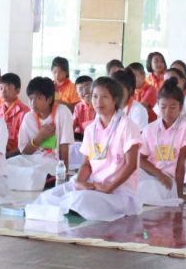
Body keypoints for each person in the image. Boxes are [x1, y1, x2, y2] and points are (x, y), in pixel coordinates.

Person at [31, 75, 142, 221]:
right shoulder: (91, 129)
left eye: (104, 97)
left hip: (118, 191)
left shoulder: (127, 126)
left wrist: (108, 188)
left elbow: (131, 164)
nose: (98, 101)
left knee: (80, 199)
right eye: (95, 96)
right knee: (48, 196)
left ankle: (69, 208)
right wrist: (80, 182)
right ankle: (68, 208)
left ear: (115, 99)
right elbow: (86, 164)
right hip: (92, 184)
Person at [137, 84, 186, 205]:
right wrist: (159, 174)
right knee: (129, 175)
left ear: (180, 107)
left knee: (150, 188)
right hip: (153, 174)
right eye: (163, 107)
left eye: (173, 107)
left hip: (169, 180)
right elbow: (140, 159)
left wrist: (179, 194)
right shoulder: (150, 129)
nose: (167, 112)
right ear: (157, 106)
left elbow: (181, 162)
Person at [0, 73, 29, 156]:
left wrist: (8, 154)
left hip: (17, 154)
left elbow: (26, 142)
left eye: (8, 88)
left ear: (17, 91)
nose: (3, 91)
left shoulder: (25, 112)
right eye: (1, 88)